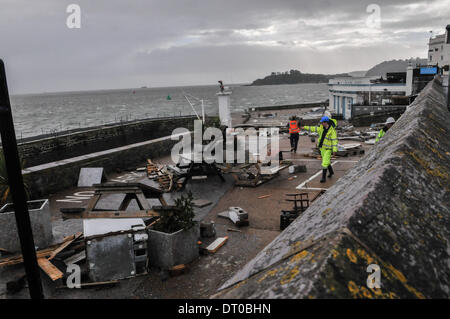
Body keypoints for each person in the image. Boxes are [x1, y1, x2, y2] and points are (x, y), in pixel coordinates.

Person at [301, 116, 338, 183]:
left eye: (322, 122)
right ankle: (331, 172)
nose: (321, 124)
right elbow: (313, 128)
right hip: (322, 148)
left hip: (328, 149)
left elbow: (334, 141)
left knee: (324, 163)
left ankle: (323, 178)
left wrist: (334, 150)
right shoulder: (321, 128)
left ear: (326, 122)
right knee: (326, 161)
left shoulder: (332, 131)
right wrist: (305, 127)